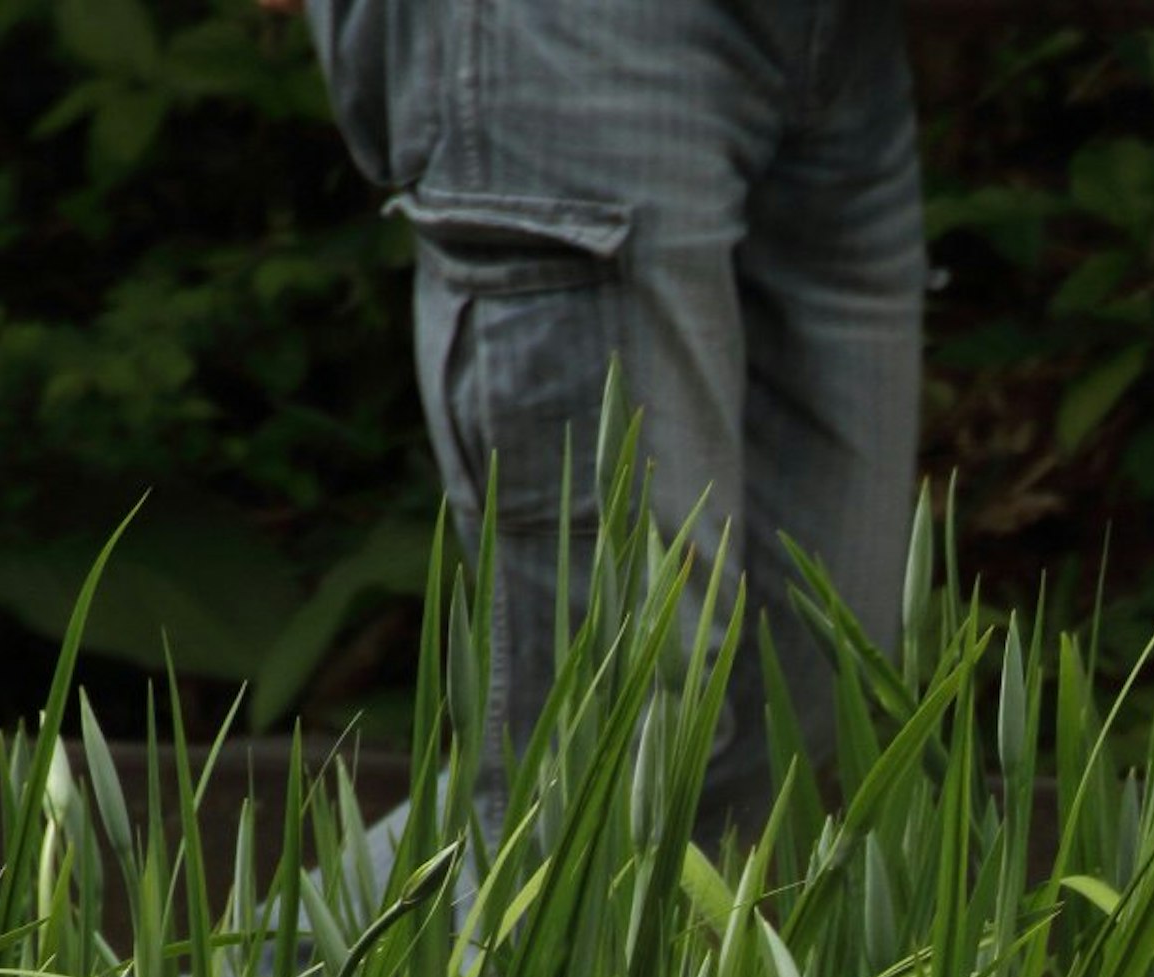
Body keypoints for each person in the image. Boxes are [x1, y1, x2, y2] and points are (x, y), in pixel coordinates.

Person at [297, 0, 926, 832]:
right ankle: (235, 970)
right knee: (609, 748)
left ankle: (249, 967)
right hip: (569, 34)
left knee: (808, 676)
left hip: (836, 42)